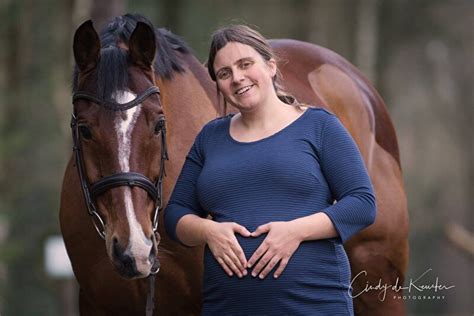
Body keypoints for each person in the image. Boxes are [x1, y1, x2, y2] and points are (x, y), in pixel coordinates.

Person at [164, 25, 376, 315]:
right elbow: (175, 213)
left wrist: (295, 231)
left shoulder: (319, 126)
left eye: (245, 64)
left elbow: (362, 204)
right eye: (224, 73)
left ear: (271, 66)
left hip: (314, 306)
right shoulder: (209, 138)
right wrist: (208, 230)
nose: (237, 78)